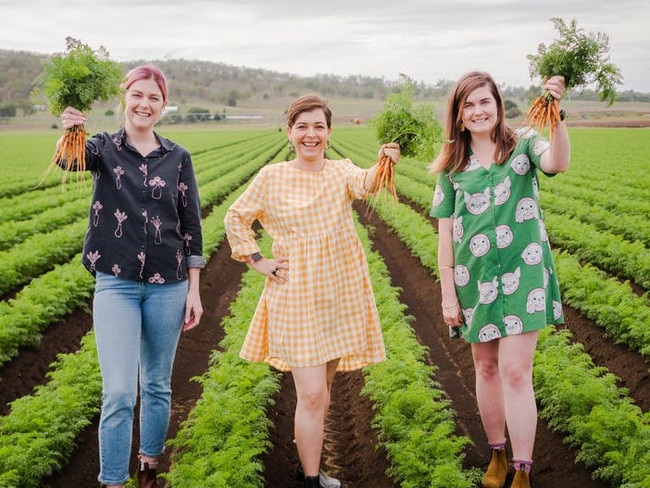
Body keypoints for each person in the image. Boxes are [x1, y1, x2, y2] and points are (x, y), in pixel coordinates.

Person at [224, 94, 400, 488]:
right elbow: (235, 216)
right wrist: (256, 260)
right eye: (302, 126)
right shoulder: (272, 177)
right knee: (314, 394)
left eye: (319, 126)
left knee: (324, 392)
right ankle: (309, 479)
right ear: (289, 133)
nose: (311, 134)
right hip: (296, 295)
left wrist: (386, 160)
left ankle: (312, 461)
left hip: (339, 293)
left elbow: (368, 182)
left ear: (329, 133)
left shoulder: (341, 171)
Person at [57, 64, 204, 488]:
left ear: (163, 106)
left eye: (154, 98)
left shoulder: (177, 157)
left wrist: (194, 289)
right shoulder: (102, 147)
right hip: (115, 284)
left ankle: (150, 467)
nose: (145, 104)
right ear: (125, 98)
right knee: (119, 391)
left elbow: (192, 225)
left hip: (170, 285)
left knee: (157, 384)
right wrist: (69, 128)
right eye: (138, 95)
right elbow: (70, 160)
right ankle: (113, 481)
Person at [429, 71, 570, 488]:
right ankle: (497, 454)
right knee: (485, 366)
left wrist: (556, 117)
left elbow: (557, 163)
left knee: (514, 371)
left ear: (498, 104)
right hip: (475, 280)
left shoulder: (524, 143)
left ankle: (523, 470)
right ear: (458, 115)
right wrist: (447, 296)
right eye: (468, 105)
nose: (478, 111)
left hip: (524, 274)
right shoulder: (452, 166)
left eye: (484, 101)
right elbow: (444, 237)